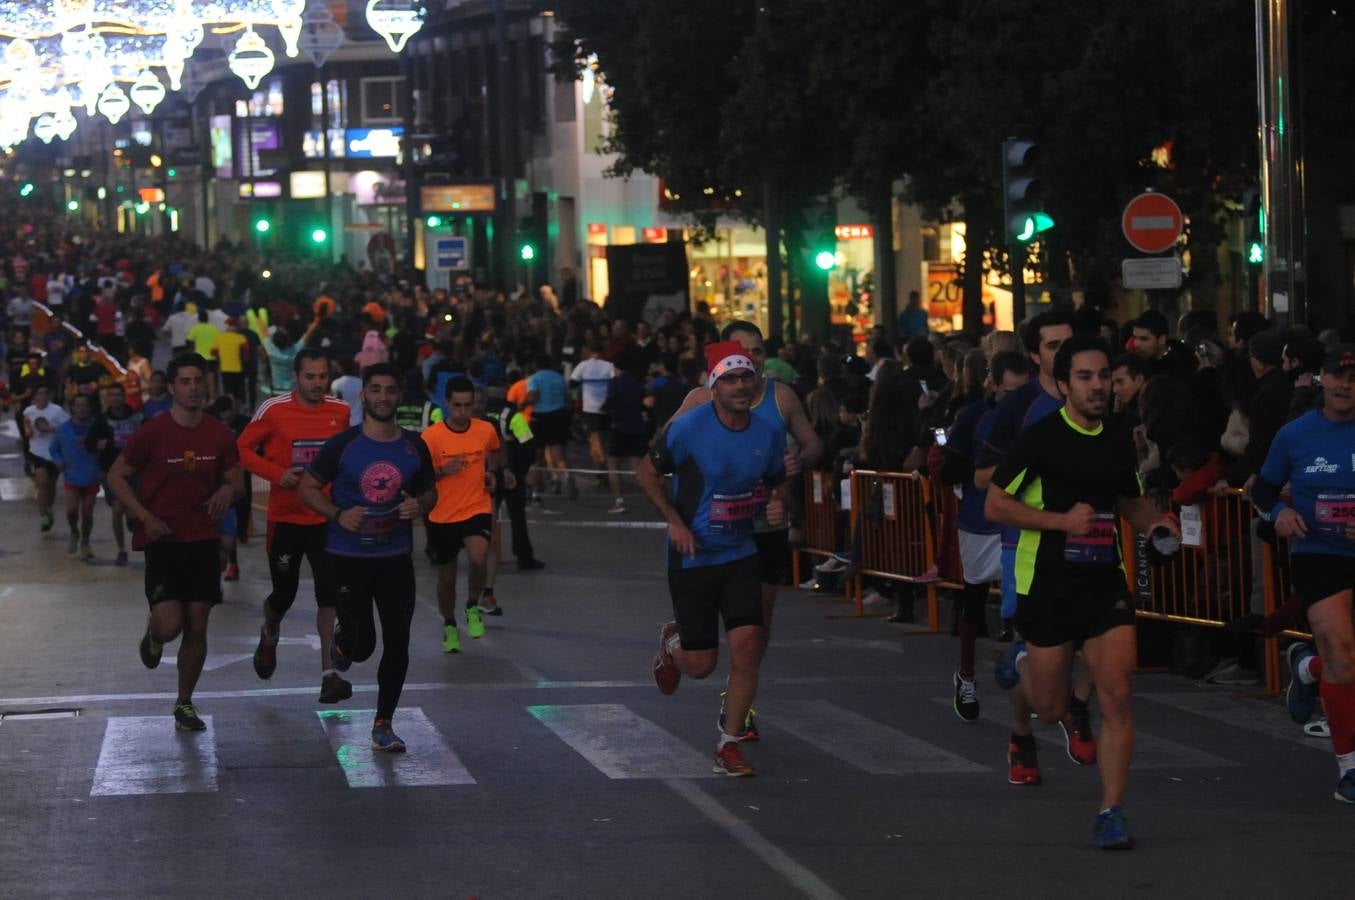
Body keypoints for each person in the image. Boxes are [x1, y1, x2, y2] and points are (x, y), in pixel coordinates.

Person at [986, 337, 1178, 849]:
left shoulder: (1118, 439)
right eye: (1087, 378)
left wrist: (1157, 526)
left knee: (1117, 695)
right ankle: (1022, 665)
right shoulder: (1040, 438)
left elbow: (1129, 502)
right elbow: (996, 505)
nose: (1099, 387)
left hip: (1103, 581)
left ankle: (1111, 810)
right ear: (1065, 384)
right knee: (1050, 710)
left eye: (1105, 378)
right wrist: (1061, 522)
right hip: (1046, 582)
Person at [665, 322, 824, 740]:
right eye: (743, 350)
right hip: (711, 531)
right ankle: (683, 648)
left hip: (763, 524)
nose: (751, 359)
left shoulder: (780, 396)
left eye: (757, 351)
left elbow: (812, 443)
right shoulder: (702, 398)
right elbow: (666, 450)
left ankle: (739, 706)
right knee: (707, 648)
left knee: (757, 623)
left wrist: (797, 462)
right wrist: (678, 514)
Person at [638, 341, 788, 776]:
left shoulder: (768, 431)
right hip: (694, 556)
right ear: (714, 385)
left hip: (741, 551)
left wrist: (779, 505)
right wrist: (674, 521)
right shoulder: (689, 428)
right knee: (702, 666)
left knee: (748, 646)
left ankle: (729, 742)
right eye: (731, 379)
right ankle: (673, 644)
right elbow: (646, 472)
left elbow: (776, 483)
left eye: (747, 377)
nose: (741, 386)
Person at [299, 362, 436, 753]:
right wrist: (338, 514)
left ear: (400, 395)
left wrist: (419, 505)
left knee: (398, 641)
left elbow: (430, 492)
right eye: (375, 390)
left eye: (390, 390)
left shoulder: (414, 445)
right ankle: (343, 644)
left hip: (395, 558)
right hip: (346, 558)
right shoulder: (343, 445)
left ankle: (383, 724)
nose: (382, 397)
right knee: (363, 645)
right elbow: (308, 488)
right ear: (364, 395)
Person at [106, 353, 244, 733]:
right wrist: (144, 516)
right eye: (185, 381)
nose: (194, 388)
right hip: (164, 539)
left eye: (199, 380)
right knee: (171, 624)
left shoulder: (218, 433)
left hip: (202, 539)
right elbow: (117, 475)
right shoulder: (152, 432)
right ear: (171, 388)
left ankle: (184, 702)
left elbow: (237, 481)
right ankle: (153, 637)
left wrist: (227, 491)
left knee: (197, 624)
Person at [1253, 344, 1355, 804]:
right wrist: (1278, 513)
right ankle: (1349, 768)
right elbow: (1263, 489)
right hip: (1319, 554)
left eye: (1354, 376)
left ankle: (1307, 666)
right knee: (1343, 651)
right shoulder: (1294, 435)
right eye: (1337, 375)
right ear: (1321, 379)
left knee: (1344, 662)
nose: (1345, 384)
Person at [237, 349, 352, 702]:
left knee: (328, 594)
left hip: (325, 518)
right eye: (310, 377)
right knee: (283, 596)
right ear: (296, 378)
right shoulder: (274, 410)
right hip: (286, 518)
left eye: (322, 377)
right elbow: (240, 449)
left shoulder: (341, 411)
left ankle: (328, 674)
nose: (317, 384)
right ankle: (270, 632)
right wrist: (277, 474)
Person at [941, 350, 1031, 720]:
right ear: (993, 384)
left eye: (1022, 392)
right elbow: (951, 469)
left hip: (1024, 519)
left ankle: (1033, 676)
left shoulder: (1039, 413)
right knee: (974, 599)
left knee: (1029, 599)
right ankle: (965, 675)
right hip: (980, 520)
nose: (1017, 400)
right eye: (1009, 392)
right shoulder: (973, 417)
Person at [422, 376, 506, 652]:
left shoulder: (485, 429)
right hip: (442, 515)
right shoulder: (432, 436)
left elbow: (497, 451)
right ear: (446, 403)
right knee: (447, 577)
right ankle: (449, 624)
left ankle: (472, 604)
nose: (462, 411)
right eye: (457, 405)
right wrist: (440, 472)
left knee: (479, 557)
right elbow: (419, 477)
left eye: (468, 405)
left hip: (476, 507)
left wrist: (494, 472)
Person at [85, 382, 142, 565]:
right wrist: (97, 445)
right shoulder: (101, 420)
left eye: (119, 394)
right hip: (110, 471)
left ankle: (132, 519)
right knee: (117, 508)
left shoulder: (137, 417)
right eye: (112, 394)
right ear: (108, 398)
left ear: (124, 396)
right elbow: (88, 443)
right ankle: (122, 550)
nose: (115, 398)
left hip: (134, 471)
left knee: (134, 510)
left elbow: (150, 439)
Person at [49, 393, 102, 559]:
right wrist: (58, 461)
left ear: (89, 407)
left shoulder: (97, 427)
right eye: (78, 405)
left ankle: (85, 541)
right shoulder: (63, 429)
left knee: (87, 513)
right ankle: (74, 531)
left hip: (92, 475)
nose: (81, 409)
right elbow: (53, 449)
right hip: (71, 476)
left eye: (84, 405)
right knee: (71, 511)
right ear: (72, 408)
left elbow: (109, 444)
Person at [22, 384, 68, 532]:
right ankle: (43, 517)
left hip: (54, 452)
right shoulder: (28, 411)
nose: (41, 397)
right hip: (37, 452)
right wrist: (28, 430)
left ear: (48, 395)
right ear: (34, 397)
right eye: (38, 394)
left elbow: (68, 428)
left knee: (51, 485)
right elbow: (27, 429)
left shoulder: (57, 411)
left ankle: (48, 508)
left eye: (44, 393)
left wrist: (50, 429)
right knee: (42, 483)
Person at [527, 354, 574, 498]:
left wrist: (523, 403)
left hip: (540, 419)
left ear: (536, 365)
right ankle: (567, 477)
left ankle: (535, 492)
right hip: (558, 417)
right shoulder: (560, 378)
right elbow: (568, 398)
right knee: (559, 455)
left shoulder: (534, 378)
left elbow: (533, 397)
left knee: (536, 459)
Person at [571, 341, 616, 484]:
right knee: (604, 441)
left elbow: (572, 383)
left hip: (590, 409)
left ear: (589, 351)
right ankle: (600, 472)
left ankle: (605, 466)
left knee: (594, 441)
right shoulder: (609, 366)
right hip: (607, 408)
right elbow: (615, 382)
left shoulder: (583, 366)